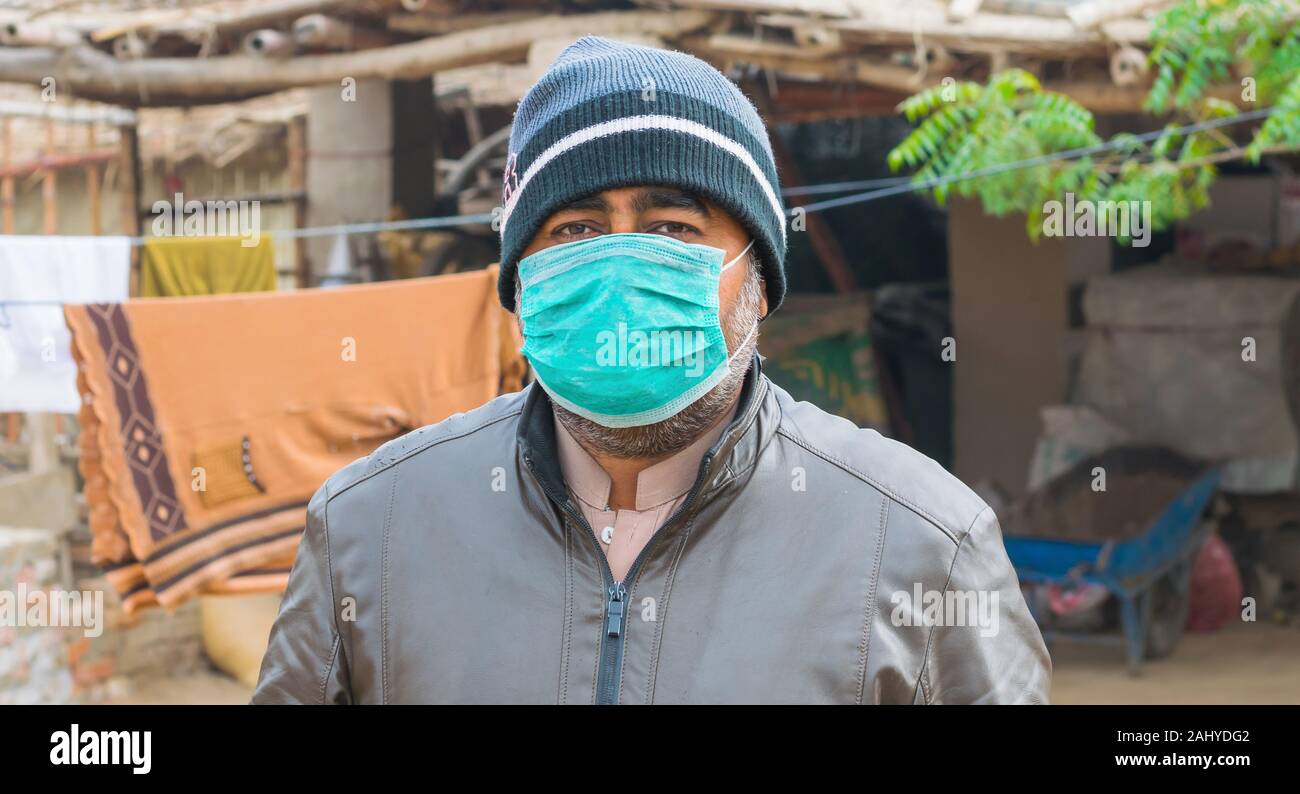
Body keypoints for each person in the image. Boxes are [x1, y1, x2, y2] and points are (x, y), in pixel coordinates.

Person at [252, 36, 1050, 704]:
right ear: (518, 281)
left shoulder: (922, 543)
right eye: (574, 229)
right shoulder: (369, 528)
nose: (619, 264)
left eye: (672, 226)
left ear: (760, 278)